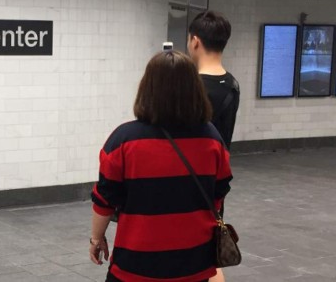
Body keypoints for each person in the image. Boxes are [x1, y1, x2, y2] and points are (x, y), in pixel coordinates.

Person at [90, 51, 233, 282]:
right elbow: (219, 193)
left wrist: (96, 239)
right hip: (194, 263)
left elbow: (104, 199)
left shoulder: (124, 140)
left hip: (135, 265)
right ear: (194, 90)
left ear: (148, 88)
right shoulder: (212, 139)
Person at [187, 11, 239, 282]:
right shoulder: (232, 85)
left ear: (195, 41)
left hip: (186, 177)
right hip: (216, 176)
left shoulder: (192, 86)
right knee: (212, 247)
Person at [187, 11, 240, 149]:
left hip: (191, 166)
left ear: (195, 42)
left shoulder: (189, 84)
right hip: (219, 165)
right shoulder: (233, 84)